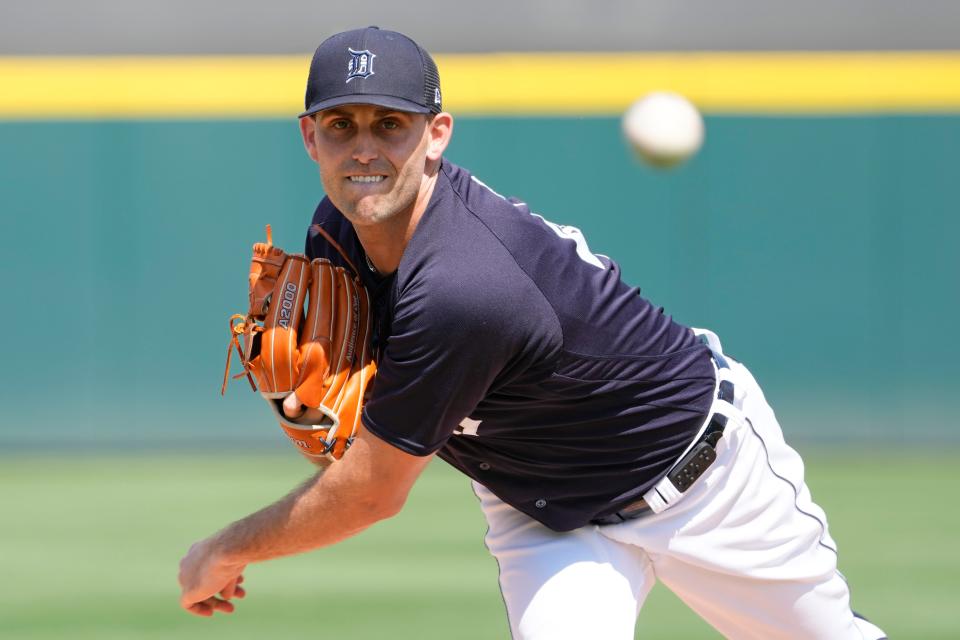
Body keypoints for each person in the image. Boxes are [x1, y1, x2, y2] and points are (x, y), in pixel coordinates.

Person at [179, 26, 886, 639]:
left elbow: (371, 493)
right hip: (547, 509)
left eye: (389, 124)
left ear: (436, 134)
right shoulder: (338, 230)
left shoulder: (465, 284)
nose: (364, 149)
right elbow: (357, 452)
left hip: (703, 480)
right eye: (341, 125)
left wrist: (227, 548)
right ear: (310, 136)